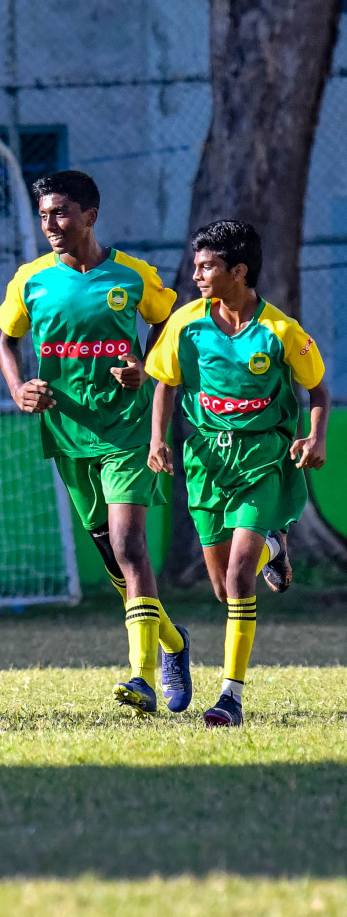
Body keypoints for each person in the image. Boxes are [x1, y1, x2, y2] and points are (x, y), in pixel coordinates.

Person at [0, 169, 193, 716]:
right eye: (43, 215)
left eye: (60, 212)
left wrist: (144, 368)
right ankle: (173, 641)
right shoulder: (30, 280)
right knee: (111, 555)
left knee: (131, 546)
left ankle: (142, 678)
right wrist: (18, 388)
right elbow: (7, 342)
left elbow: (166, 326)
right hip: (66, 432)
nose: (50, 224)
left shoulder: (131, 275)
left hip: (127, 432)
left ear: (90, 215)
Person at [147, 219, 329, 728]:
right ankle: (275, 546)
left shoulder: (281, 331)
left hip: (261, 461)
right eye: (197, 264)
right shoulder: (187, 323)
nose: (197, 274)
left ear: (239, 271)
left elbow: (317, 390)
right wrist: (159, 439)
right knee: (224, 589)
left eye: (207, 267)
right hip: (206, 463)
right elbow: (164, 381)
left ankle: (230, 695)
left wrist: (314, 437)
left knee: (238, 576)